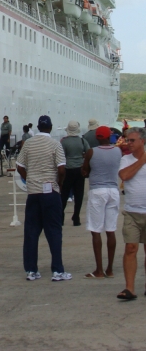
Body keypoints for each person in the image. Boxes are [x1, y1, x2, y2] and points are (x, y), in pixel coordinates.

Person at [17, 115, 72, 282]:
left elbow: (20, 167)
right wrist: (59, 184)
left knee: (31, 232)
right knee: (54, 231)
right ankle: (57, 270)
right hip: (50, 192)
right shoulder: (56, 144)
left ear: (38, 127)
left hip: (33, 193)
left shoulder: (29, 144)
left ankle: (31, 271)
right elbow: (61, 169)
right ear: (51, 127)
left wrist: (30, 180)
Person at [81, 125, 122, 279]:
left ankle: (99, 270)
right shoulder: (117, 151)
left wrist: (85, 170)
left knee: (96, 230)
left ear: (97, 137)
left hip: (97, 190)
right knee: (111, 230)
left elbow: (85, 171)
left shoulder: (92, 152)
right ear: (109, 136)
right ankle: (109, 269)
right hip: (113, 190)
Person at [116, 127, 146, 300]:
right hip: (132, 212)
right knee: (130, 248)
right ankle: (129, 288)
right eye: (128, 140)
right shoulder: (126, 159)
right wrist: (142, 161)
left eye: (132, 140)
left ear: (142, 141)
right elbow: (125, 176)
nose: (129, 143)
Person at [60, 121, 89, 226]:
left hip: (67, 169)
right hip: (79, 170)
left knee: (64, 193)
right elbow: (89, 153)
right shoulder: (82, 141)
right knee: (79, 194)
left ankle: (61, 216)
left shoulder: (64, 142)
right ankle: (76, 217)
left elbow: (61, 156)